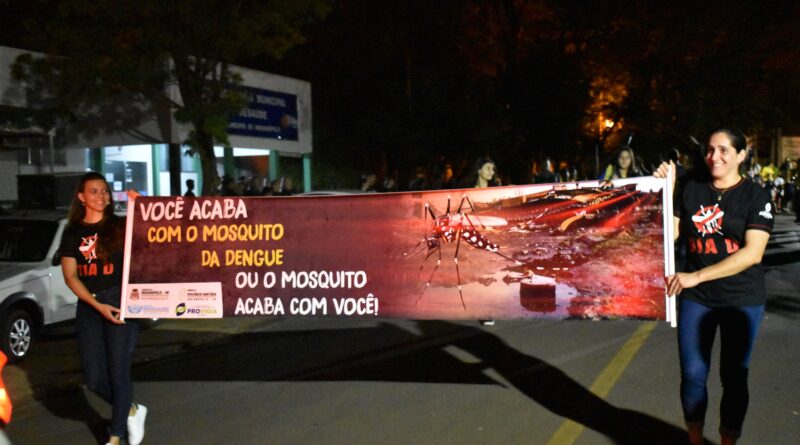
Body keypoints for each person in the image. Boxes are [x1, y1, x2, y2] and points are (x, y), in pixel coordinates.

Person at [655, 128, 773, 445]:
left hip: (741, 299)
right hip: (697, 299)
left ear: (741, 155)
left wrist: (696, 276)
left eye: (723, 150)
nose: (714, 157)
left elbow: (753, 253)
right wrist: (664, 190)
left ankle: (727, 441)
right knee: (693, 375)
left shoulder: (756, 196)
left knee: (733, 377)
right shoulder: (692, 188)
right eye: (709, 150)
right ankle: (695, 439)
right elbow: (669, 235)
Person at [58, 172, 148, 445]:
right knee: (95, 379)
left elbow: (155, 230)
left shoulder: (119, 226)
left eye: (105, 190)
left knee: (118, 372)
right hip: (90, 306)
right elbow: (70, 276)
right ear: (81, 197)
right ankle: (131, 410)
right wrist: (97, 305)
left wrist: (142, 205)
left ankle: (115, 437)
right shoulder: (73, 232)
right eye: (94, 191)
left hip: (120, 300)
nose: (101, 196)